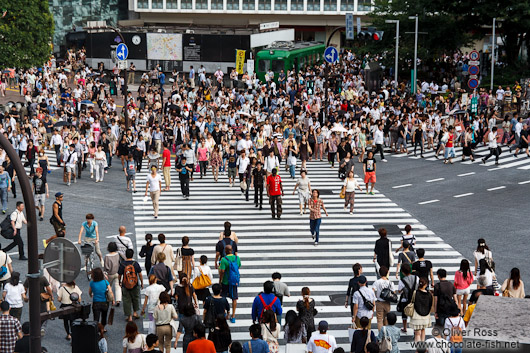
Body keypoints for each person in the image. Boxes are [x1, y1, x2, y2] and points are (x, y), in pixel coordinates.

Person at [119, 249, 144, 322]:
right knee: (135, 298)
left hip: (125, 284)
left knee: (126, 300)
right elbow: (140, 274)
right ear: (132, 255)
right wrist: (141, 282)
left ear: (126, 255)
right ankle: (135, 313)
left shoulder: (122, 264)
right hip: (134, 284)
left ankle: (129, 316)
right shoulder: (135, 264)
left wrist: (119, 282)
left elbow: (119, 275)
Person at [218, 245, 240, 323]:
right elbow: (239, 266)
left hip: (225, 281)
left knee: (223, 297)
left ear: (225, 251)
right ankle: (233, 316)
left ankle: (225, 313)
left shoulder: (224, 259)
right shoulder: (237, 258)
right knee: (234, 298)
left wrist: (220, 280)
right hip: (234, 281)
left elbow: (222, 271)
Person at [372, 266, 395, 330]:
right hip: (387, 302)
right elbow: (394, 292)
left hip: (379, 302)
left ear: (379, 273)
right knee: (387, 318)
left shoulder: (377, 282)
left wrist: (375, 296)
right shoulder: (390, 282)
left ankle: (381, 334)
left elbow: (373, 290)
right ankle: (386, 332)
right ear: (387, 273)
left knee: (379, 319)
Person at [410, 277, 433, 342]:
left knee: (417, 333)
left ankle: (418, 349)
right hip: (425, 316)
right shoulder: (429, 294)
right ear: (425, 285)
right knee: (423, 330)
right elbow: (430, 304)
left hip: (416, 315)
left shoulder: (415, 292)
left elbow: (412, 301)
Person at [397, 264, 418, 333]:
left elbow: (399, 291)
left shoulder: (402, 281)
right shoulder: (416, 278)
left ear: (402, 272)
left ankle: (405, 327)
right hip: (415, 298)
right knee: (414, 314)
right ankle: (415, 329)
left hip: (405, 299)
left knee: (404, 314)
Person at [104, 242, 122, 306]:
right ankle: (118, 300)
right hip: (117, 273)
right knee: (118, 286)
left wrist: (105, 273)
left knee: (109, 287)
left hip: (110, 274)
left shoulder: (107, 256)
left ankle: (110, 299)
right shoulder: (118, 254)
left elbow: (106, 267)